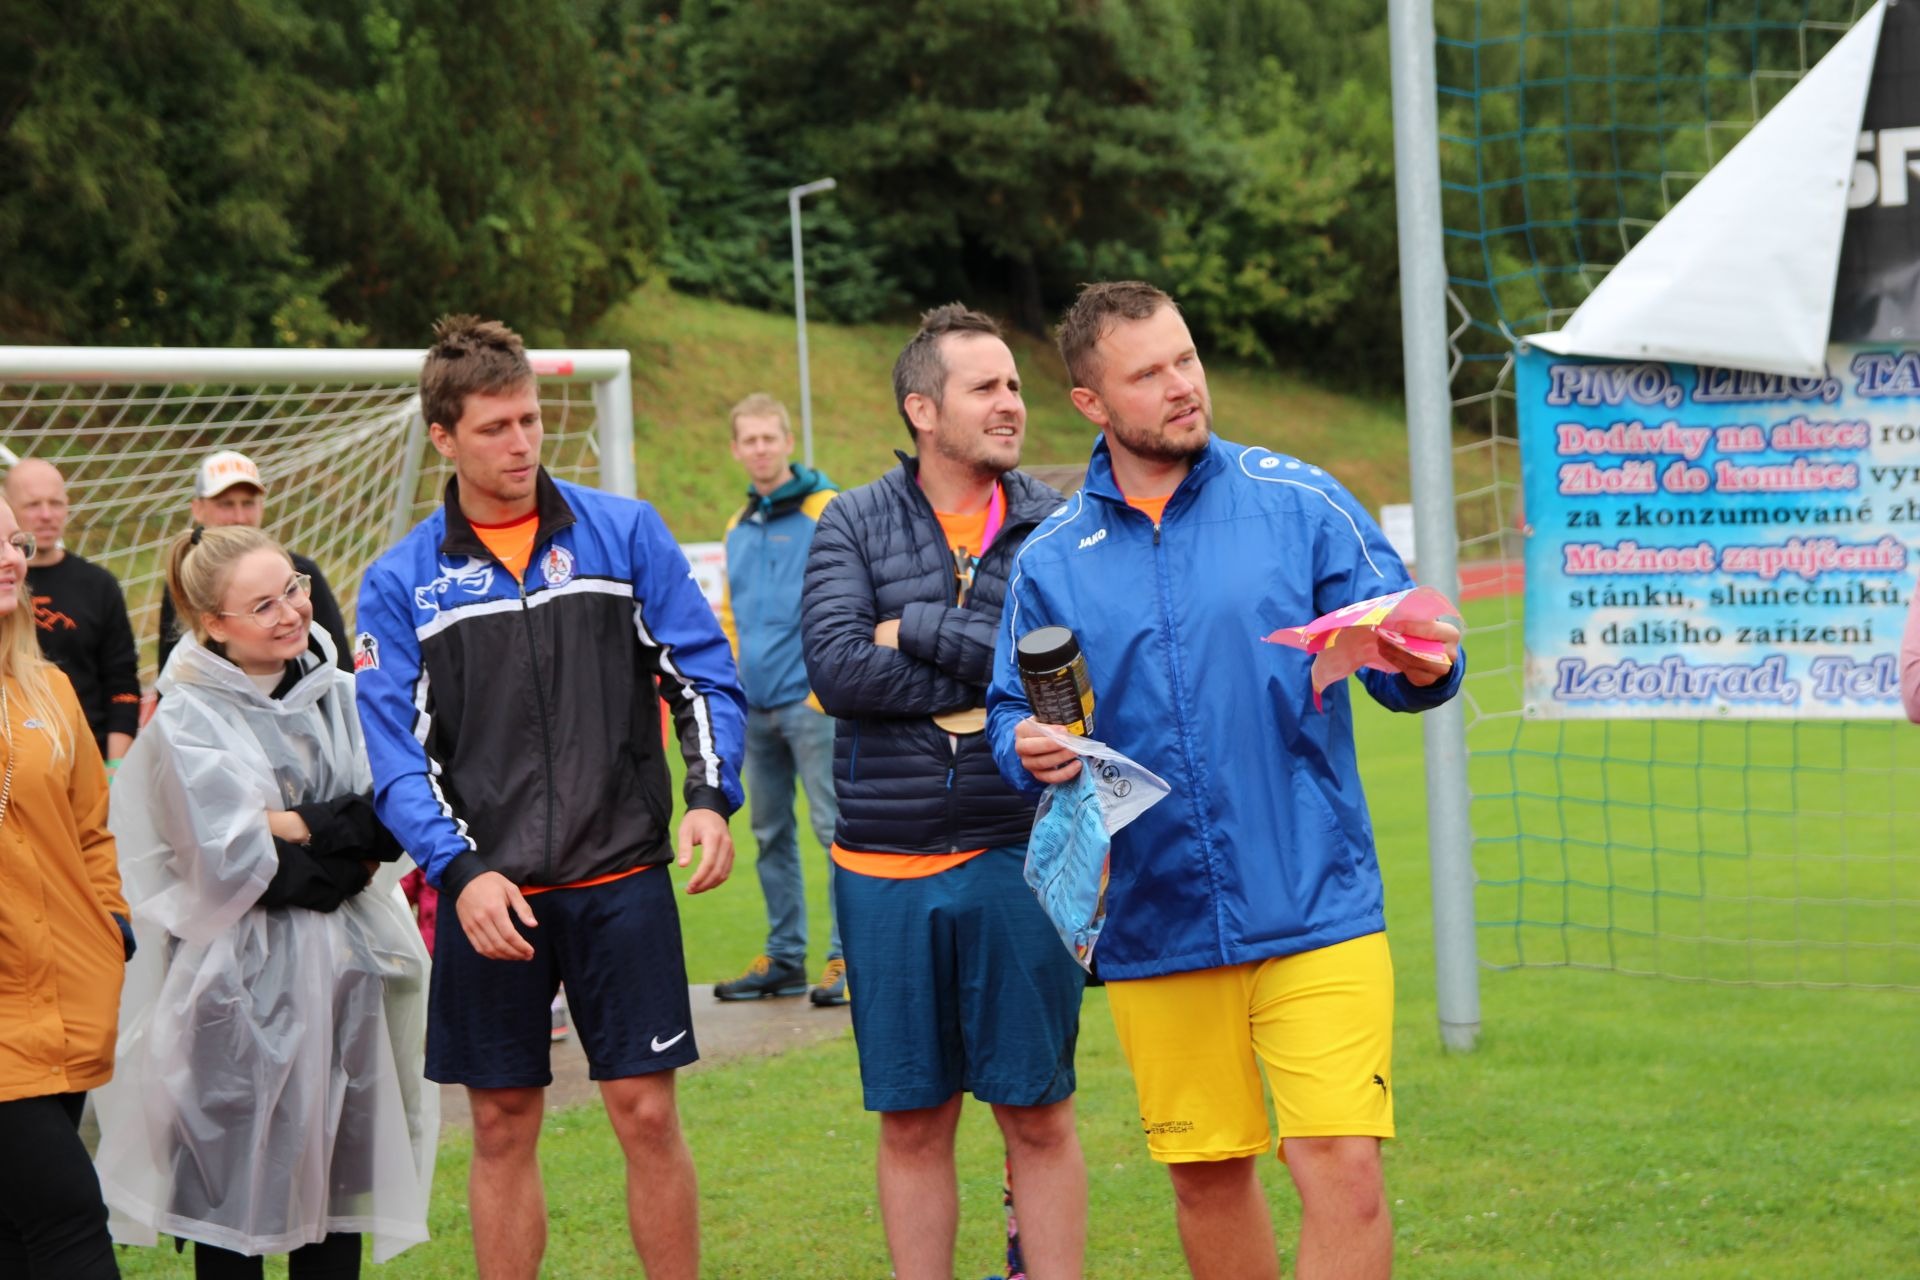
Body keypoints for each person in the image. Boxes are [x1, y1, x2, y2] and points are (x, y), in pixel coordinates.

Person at [986, 281, 1465, 1280]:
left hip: (1315, 898)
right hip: (1155, 918)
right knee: (1206, 1178)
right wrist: (1020, 742)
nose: (1182, 385)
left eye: (1187, 359)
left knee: (1344, 1169)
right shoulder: (1052, 560)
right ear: (1089, 402)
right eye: (1148, 374)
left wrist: (1426, 661)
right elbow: (1008, 711)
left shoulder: (1300, 501)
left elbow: (1407, 653)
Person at [356, 315, 746, 1280]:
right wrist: (461, 872)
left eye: (530, 419)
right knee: (499, 1122)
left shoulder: (625, 533)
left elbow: (701, 675)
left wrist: (708, 795)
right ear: (444, 438)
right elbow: (395, 757)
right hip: (492, 895)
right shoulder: (401, 582)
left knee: (646, 1113)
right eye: (495, 427)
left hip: (620, 878)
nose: (522, 442)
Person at [802, 304, 1087, 1280]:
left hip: (1023, 855)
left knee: (1038, 1113)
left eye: (1014, 385)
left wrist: (913, 625)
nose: (1011, 403)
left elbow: (1069, 673)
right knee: (914, 1119)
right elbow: (838, 670)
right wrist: (995, 670)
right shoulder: (851, 519)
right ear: (923, 410)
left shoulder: (1059, 525)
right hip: (885, 863)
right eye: (985, 387)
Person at [92, 524, 435, 1277]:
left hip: (348, 984)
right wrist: (336, 837)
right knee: (229, 1200)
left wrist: (289, 824)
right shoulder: (186, 720)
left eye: (293, 589)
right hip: (232, 996)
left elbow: (389, 821)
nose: (291, 612)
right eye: (263, 605)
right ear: (214, 624)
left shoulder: (342, 696)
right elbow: (231, 867)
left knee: (336, 1201)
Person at [0, 497, 132, 1280]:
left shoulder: (49, 687)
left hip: (70, 997)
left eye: (13, 540)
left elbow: (92, 830)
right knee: (71, 1222)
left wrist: (112, 925)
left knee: (17, 1235)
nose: (10, 557)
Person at [712, 391, 846, 1005]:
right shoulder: (737, 527)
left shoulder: (828, 508)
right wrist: (735, 688)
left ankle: (848, 956)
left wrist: (825, 688)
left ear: (789, 442)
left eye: (770, 437)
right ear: (736, 450)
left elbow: (849, 601)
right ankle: (785, 958)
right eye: (750, 440)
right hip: (757, 707)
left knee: (835, 830)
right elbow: (731, 616)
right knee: (768, 833)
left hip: (812, 705)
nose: (761, 448)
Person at [155, 450, 351, 675]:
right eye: (226, 504)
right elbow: (170, 674)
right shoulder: (186, 583)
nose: (239, 517)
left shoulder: (300, 570)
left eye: (248, 503)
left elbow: (341, 665)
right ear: (198, 509)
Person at [4, 459, 141, 760]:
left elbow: (122, 681)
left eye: (55, 503)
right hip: (15, 755)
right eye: (33, 505)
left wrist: (115, 766)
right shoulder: (6, 585)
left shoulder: (99, 585)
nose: (46, 515)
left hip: (90, 751)